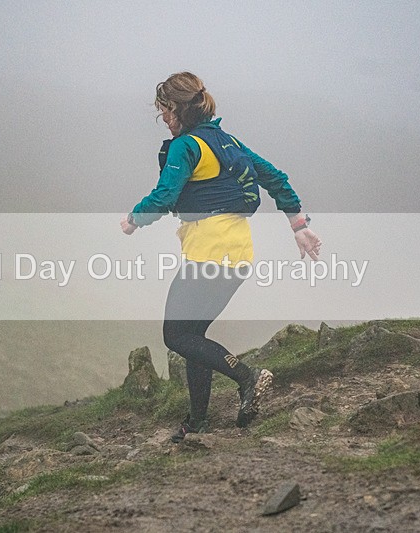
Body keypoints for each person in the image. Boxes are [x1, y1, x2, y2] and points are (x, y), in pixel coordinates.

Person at [121, 72, 322, 442]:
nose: (163, 119)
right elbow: (274, 178)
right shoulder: (226, 141)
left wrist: (135, 218)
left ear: (179, 109)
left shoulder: (186, 146)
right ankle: (197, 421)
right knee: (193, 334)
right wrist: (298, 225)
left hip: (209, 252)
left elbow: (165, 196)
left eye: (165, 111)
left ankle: (248, 376)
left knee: (176, 334)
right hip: (238, 254)